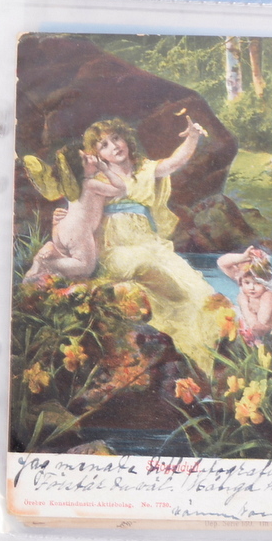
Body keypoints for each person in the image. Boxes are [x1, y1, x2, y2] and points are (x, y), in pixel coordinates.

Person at [81, 116, 225, 371]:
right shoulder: (100, 182)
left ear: (126, 138)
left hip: (150, 245)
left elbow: (175, 162)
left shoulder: (146, 170)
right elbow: (86, 217)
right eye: (104, 145)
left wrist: (192, 137)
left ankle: (200, 359)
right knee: (142, 264)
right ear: (97, 154)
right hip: (117, 249)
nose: (114, 146)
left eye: (116, 138)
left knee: (196, 291)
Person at [23, 149, 124, 283]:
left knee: (68, 258)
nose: (92, 158)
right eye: (86, 159)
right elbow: (121, 189)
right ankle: (48, 265)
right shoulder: (90, 184)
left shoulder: (74, 186)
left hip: (64, 227)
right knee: (85, 267)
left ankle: (48, 251)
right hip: (78, 229)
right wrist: (105, 169)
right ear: (80, 169)